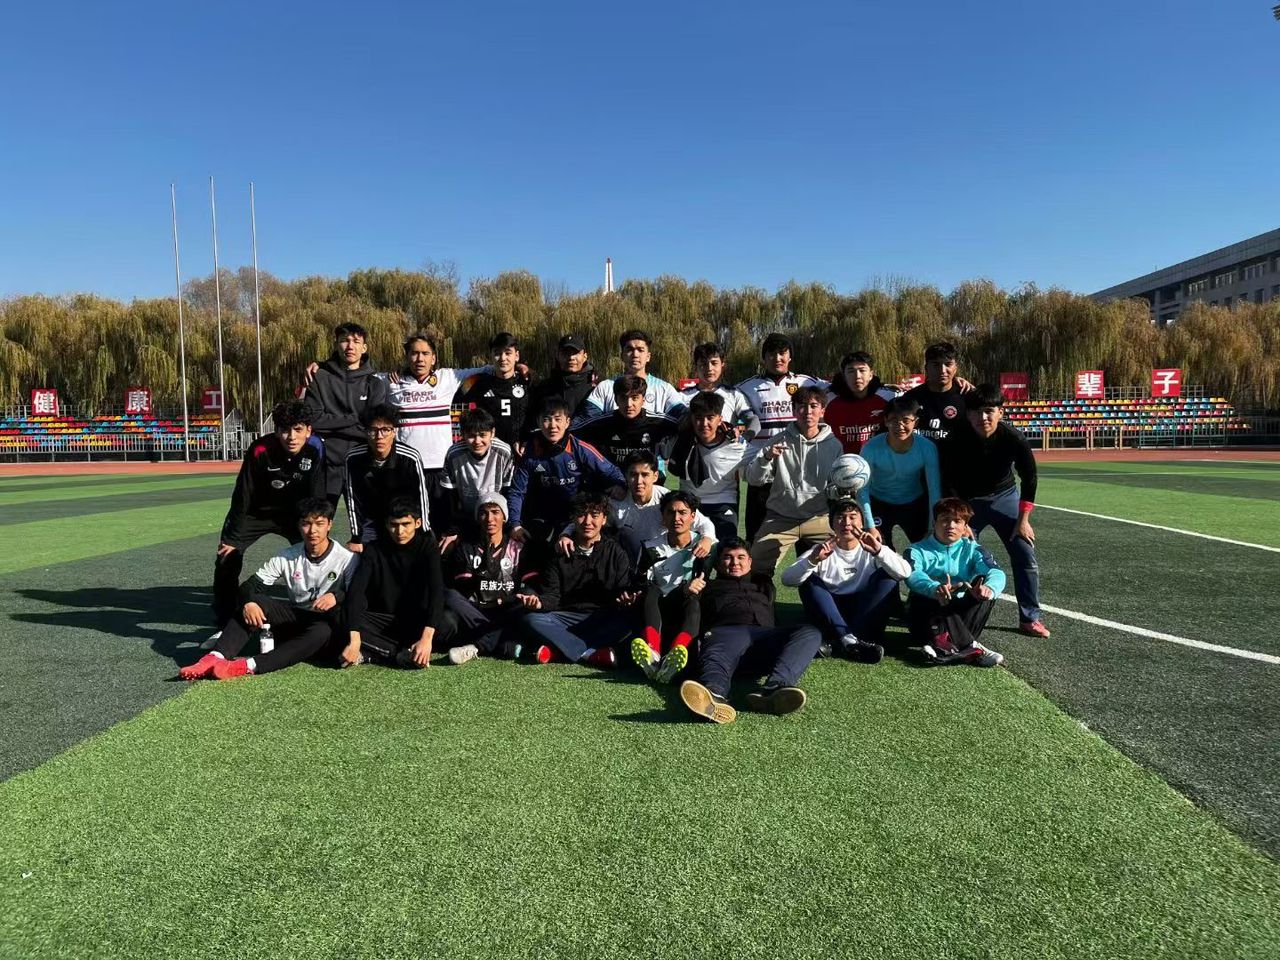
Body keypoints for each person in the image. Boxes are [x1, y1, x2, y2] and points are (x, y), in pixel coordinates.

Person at [184, 498, 355, 680]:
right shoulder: (287, 556)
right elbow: (250, 585)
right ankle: (214, 657)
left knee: (322, 631)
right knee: (255, 601)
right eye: (306, 524)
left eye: (319, 524)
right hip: (295, 618)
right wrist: (248, 602)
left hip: (326, 623)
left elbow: (358, 596)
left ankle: (247, 666)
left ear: (329, 525)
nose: (312, 530)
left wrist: (336, 596)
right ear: (298, 525)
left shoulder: (346, 558)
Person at [943, 384, 1050, 638]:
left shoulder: (1014, 439)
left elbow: (1030, 478)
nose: (983, 417)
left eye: (989, 411)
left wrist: (1023, 520)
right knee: (959, 555)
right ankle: (953, 616)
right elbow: (948, 480)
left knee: (1024, 552)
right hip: (967, 502)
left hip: (1005, 497)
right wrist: (961, 520)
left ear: (1000, 412)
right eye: (977, 412)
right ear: (968, 414)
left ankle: (1029, 618)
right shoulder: (955, 438)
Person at [678, 539, 823, 724]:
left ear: (750, 561)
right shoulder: (706, 587)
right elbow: (679, 608)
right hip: (725, 636)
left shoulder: (763, 586)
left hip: (764, 639)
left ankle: (774, 688)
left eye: (741, 557)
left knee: (810, 631)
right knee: (716, 658)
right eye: (728, 558)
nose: (735, 563)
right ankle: (714, 696)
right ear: (718, 563)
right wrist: (687, 591)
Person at [212, 400, 325, 626]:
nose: (291, 437)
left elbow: (317, 493)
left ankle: (317, 610)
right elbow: (243, 493)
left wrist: (316, 527)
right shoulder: (260, 449)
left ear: (308, 430)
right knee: (226, 558)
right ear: (276, 430)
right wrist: (233, 538)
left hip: (294, 514)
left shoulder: (316, 448)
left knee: (317, 553)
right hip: (257, 512)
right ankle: (225, 616)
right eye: (285, 430)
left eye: (298, 430)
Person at [384, 332, 491, 533]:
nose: (420, 358)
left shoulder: (448, 377)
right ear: (407, 357)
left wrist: (519, 367)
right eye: (414, 353)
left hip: (441, 469)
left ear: (433, 358)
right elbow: (360, 377)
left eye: (425, 353)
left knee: (444, 527)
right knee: (410, 528)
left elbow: (487, 370)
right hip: (408, 470)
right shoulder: (391, 382)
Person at [780, 500, 911, 662]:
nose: (847, 523)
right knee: (808, 580)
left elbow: (905, 572)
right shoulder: (822, 549)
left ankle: (840, 640)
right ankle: (850, 640)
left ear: (862, 523)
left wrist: (879, 551)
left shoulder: (872, 548)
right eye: (840, 517)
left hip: (863, 612)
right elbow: (787, 579)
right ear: (832, 524)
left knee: (888, 577)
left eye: (852, 517)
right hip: (831, 612)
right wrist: (812, 561)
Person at [519, 492, 635, 667]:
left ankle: (559, 650)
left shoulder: (615, 553)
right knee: (531, 619)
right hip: (566, 617)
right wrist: (539, 603)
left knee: (627, 622)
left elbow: (621, 589)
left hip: (601, 617)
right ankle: (588, 654)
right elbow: (552, 596)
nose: (587, 522)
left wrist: (625, 599)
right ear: (573, 518)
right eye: (581, 515)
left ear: (604, 519)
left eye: (594, 515)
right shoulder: (560, 552)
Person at [745, 386, 843, 575]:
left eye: (813, 406)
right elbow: (754, 479)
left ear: (822, 410)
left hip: (819, 518)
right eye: (802, 406)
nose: (808, 411)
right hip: (780, 517)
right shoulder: (777, 441)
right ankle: (760, 593)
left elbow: (835, 486)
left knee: (838, 564)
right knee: (753, 566)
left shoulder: (834, 445)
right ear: (794, 410)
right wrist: (766, 458)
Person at [736, 333, 825, 540]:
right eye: (771, 354)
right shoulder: (746, 387)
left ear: (790, 356)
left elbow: (837, 389)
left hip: (798, 468)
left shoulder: (806, 382)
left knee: (807, 534)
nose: (777, 358)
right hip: (763, 469)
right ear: (763, 358)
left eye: (782, 353)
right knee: (756, 534)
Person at [342, 498, 449, 668]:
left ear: (418, 523)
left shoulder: (428, 546)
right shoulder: (374, 549)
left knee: (448, 623)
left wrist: (426, 638)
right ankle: (397, 654)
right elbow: (356, 591)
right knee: (341, 617)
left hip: (416, 620)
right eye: (394, 525)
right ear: (386, 524)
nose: (400, 531)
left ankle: (376, 651)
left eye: (406, 524)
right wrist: (354, 640)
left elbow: (437, 591)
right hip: (383, 620)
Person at [507, 398, 626, 550]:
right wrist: (515, 524)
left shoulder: (580, 449)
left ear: (567, 422)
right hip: (541, 515)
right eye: (546, 420)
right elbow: (517, 491)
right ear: (538, 422)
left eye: (558, 419)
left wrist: (619, 484)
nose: (553, 426)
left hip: (574, 516)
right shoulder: (530, 452)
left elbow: (612, 471)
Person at [904, 497, 1007, 667]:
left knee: (983, 591)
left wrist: (989, 588)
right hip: (927, 615)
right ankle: (970, 647)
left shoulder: (974, 549)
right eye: (945, 520)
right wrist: (934, 588)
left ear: (965, 527)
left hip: (960, 616)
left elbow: (996, 572)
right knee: (933, 596)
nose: (951, 526)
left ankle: (942, 647)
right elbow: (912, 575)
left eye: (957, 521)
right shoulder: (916, 550)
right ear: (934, 523)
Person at [439, 493, 539, 665]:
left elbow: (530, 586)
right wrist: (482, 572)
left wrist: (505, 601)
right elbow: (463, 590)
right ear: (477, 518)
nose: (489, 519)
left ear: (504, 517)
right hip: (475, 612)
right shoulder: (467, 548)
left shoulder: (518, 548)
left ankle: (476, 646)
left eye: (495, 512)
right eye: (483, 513)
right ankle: (499, 640)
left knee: (528, 599)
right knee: (449, 597)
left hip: (507, 609)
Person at [302, 323, 390, 504]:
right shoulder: (319, 378)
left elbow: (372, 427)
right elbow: (314, 421)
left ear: (364, 348)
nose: (350, 346)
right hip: (326, 465)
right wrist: (354, 419)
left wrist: (332, 425)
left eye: (356, 342)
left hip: (362, 464)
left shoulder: (375, 384)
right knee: (318, 518)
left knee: (367, 520)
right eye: (344, 341)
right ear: (336, 345)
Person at [629, 491, 710, 683]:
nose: (676, 518)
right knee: (651, 590)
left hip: (686, 605)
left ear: (693, 516)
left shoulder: (704, 546)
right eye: (670, 512)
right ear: (663, 517)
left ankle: (676, 654)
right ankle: (653, 652)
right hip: (658, 605)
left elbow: (705, 579)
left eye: (682, 512)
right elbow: (640, 582)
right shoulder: (650, 546)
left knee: (693, 598)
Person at [856, 396, 942, 551]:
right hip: (879, 502)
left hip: (913, 503)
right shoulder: (870, 448)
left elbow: (934, 489)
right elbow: (862, 489)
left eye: (906, 420)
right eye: (894, 420)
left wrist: (932, 527)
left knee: (927, 548)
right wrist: (870, 525)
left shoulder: (927, 447)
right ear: (885, 421)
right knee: (879, 551)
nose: (900, 426)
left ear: (916, 422)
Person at [598, 450, 716, 562]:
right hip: (629, 563)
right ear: (626, 476)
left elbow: (705, 524)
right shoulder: (616, 503)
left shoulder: (668, 500)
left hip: (664, 564)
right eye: (633, 474)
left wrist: (707, 539)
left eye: (645, 475)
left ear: (655, 476)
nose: (639, 481)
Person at [666, 391, 750, 541]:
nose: (704, 424)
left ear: (720, 419)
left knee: (727, 547)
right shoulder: (681, 441)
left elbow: (758, 460)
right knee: (689, 551)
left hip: (723, 503)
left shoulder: (736, 444)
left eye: (710, 418)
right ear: (691, 419)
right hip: (690, 504)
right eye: (698, 418)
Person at [345, 405, 429, 550]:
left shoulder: (410, 458)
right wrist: (356, 536)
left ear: (394, 431)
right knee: (361, 555)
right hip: (371, 521)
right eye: (373, 430)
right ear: (365, 432)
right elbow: (353, 499)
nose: (379, 436)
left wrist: (424, 532)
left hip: (401, 519)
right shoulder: (353, 458)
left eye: (385, 430)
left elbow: (421, 498)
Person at [439, 407, 516, 549]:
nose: (477, 441)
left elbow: (508, 490)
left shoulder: (504, 451)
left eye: (482, 435)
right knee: (448, 548)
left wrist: (510, 525)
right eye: (471, 436)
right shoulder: (454, 454)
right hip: (466, 517)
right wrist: (452, 529)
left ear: (492, 433)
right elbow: (449, 495)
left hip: (495, 518)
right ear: (462, 434)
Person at [572, 375, 681, 468]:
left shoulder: (658, 422)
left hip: (646, 482)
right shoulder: (602, 423)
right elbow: (572, 433)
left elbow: (684, 428)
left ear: (643, 400)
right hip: (613, 482)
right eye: (623, 398)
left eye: (634, 398)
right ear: (616, 400)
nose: (629, 404)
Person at [583, 329, 685, 418]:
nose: (635, 355)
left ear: (648, 357)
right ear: (622, 356)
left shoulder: (665, 389)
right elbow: (588, 420)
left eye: (640, 350)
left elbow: (683, 417)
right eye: (629, 350)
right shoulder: (605, 387)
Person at [455, 332, 531, 449]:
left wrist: (528, 439)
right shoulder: (476, 381)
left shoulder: (528, 382)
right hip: (489, 451)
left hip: (522, 450)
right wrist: (465, 436)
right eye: (497, 353)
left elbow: (537, 415)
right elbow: (456, 405)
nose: (503, 358)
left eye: (508, 353)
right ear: (491, 356)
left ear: (516, 356)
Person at [823, 351, 900, 454]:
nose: (857, 376)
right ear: (844, 376)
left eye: (862, 370)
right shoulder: (829, 400)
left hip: (879, 460)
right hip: (842, 461)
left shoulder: (889, 397)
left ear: (871, 375)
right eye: (851, 371)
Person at [679, 342, 758, 439]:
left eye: (714, 363)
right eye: (704, 364)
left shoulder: (734, 394)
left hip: (727, 448)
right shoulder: (682, 396)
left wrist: (742, 436)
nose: (709, 368)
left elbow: (751, 420)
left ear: (722, 365)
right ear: (696, 367)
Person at [522, 333, 598, 433]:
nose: (571, 357)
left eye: (575, 353)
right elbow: (533, 420)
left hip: (587, 440)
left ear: (585, 356)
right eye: (566, 353)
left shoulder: (596, 386)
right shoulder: (544, 388)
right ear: (558, 356)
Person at [905, 341, 973, 446]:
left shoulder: (967, 396)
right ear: (926, 368)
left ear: (955, 368)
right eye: (936, 365)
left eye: (948, 364)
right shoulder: (910, 398)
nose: (942, 370)